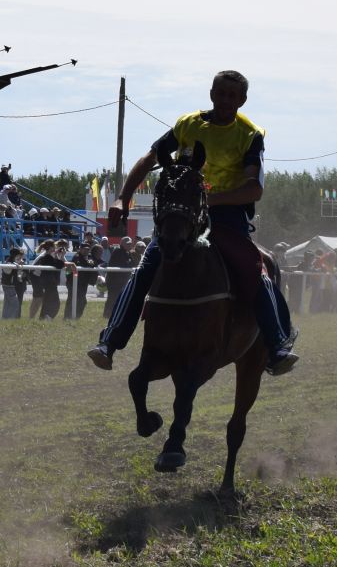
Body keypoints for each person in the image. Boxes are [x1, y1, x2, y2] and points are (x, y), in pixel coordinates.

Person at [89, 69, 297, 375]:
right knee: (145, 269)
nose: (226, 100)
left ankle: (277, 344)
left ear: (242, 100)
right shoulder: (187, 124)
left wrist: (207, 201)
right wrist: (123, 198)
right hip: (184, 217)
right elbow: (149, 159)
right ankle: (110, 341)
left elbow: (255, 189)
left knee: (256, 269)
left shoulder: (250, 135)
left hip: (227, 217)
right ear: (211, 94)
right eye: (220, 93)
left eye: (232, 96)